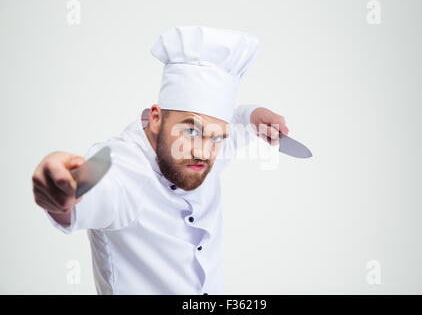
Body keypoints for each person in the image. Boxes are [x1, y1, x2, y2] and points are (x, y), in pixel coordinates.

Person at [32, 26, 289, 294]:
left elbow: (234, 125)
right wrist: (63, 189)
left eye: (216, 138)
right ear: (155, 117)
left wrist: (252, 114)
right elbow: (89, 188)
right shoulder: (118, 166)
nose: (203, 152)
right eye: (191, 131)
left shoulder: (211, 146)